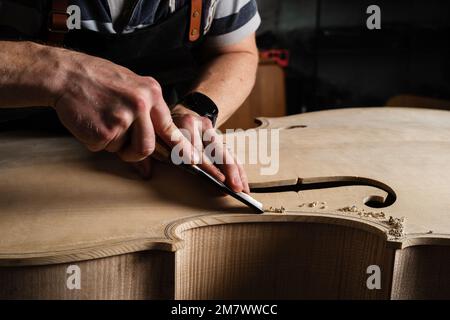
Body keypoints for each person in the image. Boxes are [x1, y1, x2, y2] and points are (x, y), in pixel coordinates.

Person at [0, 0, 261, 193]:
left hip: (143, 176)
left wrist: (195, 110)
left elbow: (235, 51)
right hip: (17, 173)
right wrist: (58, 72)